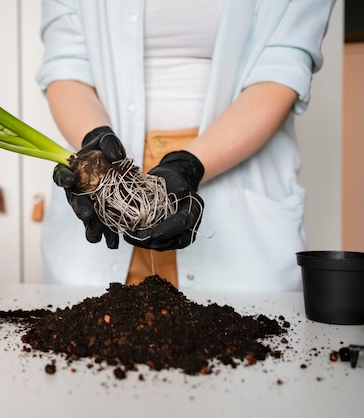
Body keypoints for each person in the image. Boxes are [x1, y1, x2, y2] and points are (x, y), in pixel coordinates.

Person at [36, 0, 336, 291]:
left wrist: (188, 164)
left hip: (228, 156)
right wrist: (94, 146)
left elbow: (281, 70)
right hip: (112, 164)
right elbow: (67, 66)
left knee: (229, 332)